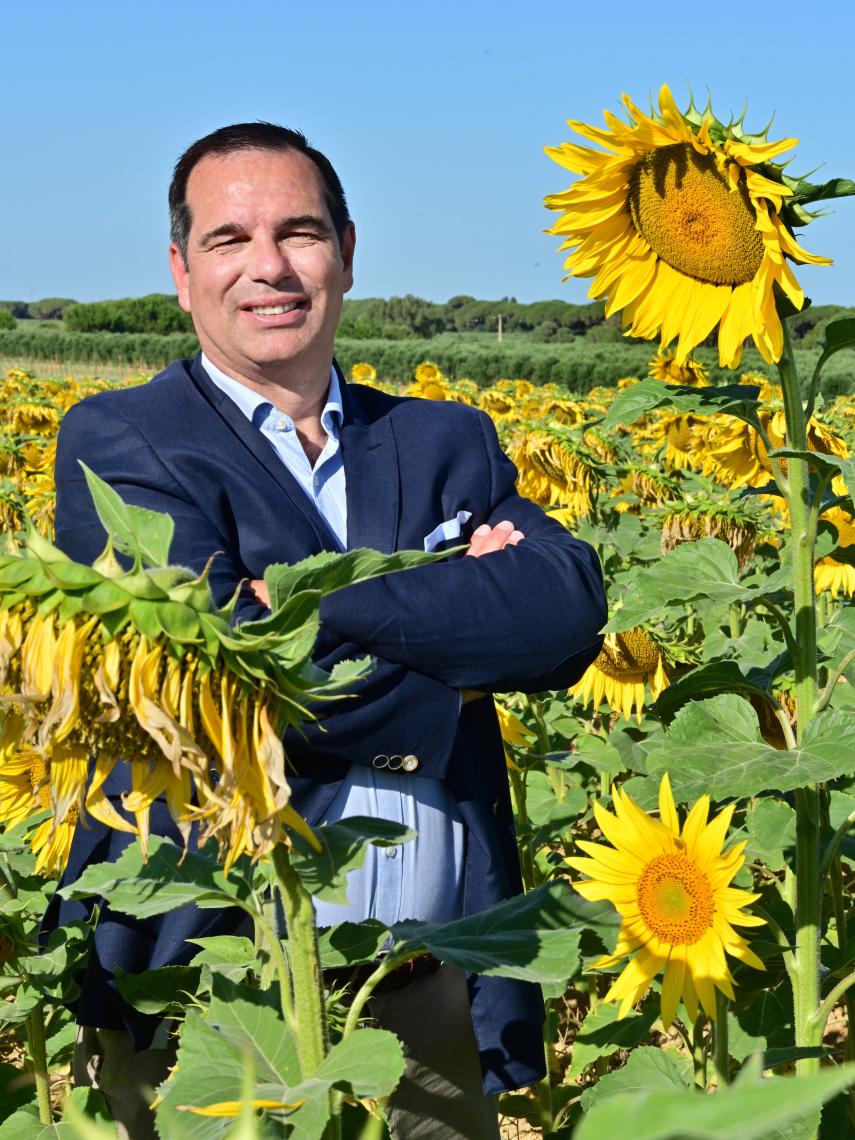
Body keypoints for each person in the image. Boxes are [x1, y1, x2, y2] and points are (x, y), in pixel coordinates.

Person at [50, 122, 607, 1139]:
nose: (269, 266)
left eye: (300, 233)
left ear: (346, 252)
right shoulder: (122, 441)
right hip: (210, 992)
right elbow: (210, 690)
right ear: (182, 272)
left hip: (421, 990)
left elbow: (562, 613)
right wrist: (455, 655)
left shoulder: (445, 439)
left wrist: (315, 607)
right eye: (229, 240)